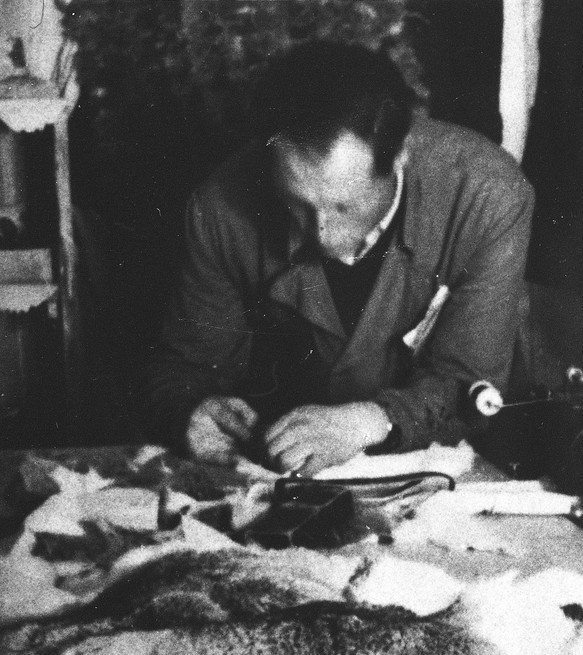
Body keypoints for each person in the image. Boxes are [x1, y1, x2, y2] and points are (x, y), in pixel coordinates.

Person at [144, 41, 534, 474]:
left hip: (458, 464)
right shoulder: (219, 206)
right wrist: (191, 410)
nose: (321, 235)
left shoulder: (486, 196)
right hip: (287, 467)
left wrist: (374, 419)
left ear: (400, 153)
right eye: (295, 204)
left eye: (343, 206)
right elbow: (182, 366)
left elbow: (472, 382)